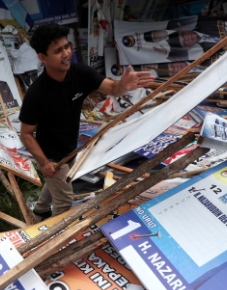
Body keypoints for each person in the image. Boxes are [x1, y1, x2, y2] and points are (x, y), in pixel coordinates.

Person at [20, 24, 154, 220]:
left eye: (67, 46)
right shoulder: (37, 93)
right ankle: (53, 237)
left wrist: (123, 86)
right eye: (58, 51)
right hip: (52, 157)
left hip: (71, 149)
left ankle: (40, 211)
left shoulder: (80, 73)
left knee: (56, 183)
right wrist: (44, 162)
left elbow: (112, 88)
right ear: (43, 57)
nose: (66, 53)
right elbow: (26, 133)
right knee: (64, 201)